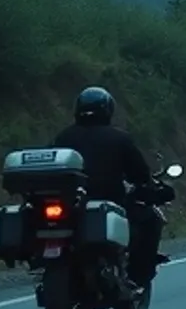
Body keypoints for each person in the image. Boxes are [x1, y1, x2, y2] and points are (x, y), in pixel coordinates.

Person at [50, 86, 169, 291]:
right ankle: (137, 277)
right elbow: (139, 174)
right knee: (150, 220)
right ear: (108, 109)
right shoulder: (119, 138)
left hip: (70, 203)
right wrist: (149, 186)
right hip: (110, 200)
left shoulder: (63, 137)